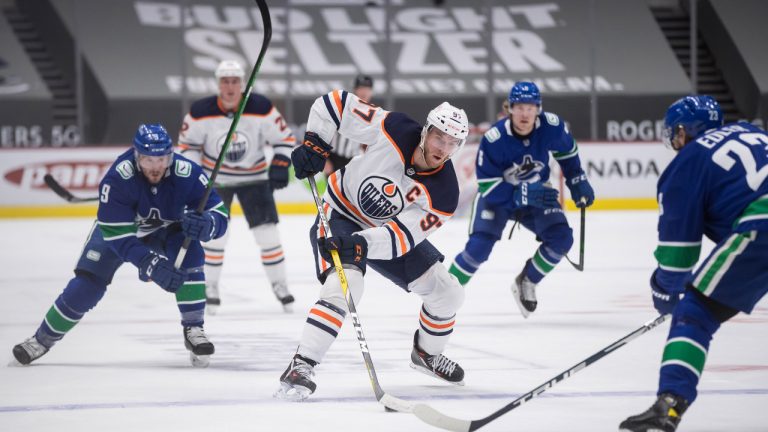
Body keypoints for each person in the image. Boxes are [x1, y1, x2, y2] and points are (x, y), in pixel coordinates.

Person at [274, 89, 470, 401]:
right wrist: (315, 143)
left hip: (381, 234)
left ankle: (426, 354)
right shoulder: (393, 128)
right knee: (346, 285)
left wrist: (360, 244)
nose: (443, 148)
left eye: (452, 142)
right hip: (339, 212)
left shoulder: (444, 194)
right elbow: (332, 104)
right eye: (439, 137)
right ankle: (301, 365)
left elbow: (399, 238)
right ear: (425, 132)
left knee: (448, 293)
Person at [11, 124, 229, 368]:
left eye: (161, 159)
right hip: (120, 233)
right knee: (88, 284)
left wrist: (209, 224)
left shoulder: (187, 173)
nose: (155, 167)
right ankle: (41, 340)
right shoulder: (118, 178)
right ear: (137, 157)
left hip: (165, 230)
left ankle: (194, 329)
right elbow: (118, 236)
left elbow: (219, 212)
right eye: (148, 160)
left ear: (170, 156)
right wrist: (149, 264)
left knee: (190, 254)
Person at [620, 96, 768, 431]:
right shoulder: (749, 131)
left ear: (684, 132)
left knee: (695, 312)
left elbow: (678, 256)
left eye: (674, 134)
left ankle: (668, 405)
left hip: (764, 225)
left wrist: (665, 294)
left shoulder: (688, 161)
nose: (674, 141)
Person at [447, 81, 594, 318]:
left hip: (536, 195)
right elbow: (487, 185)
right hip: (499, 199)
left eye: (530, 107)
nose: (525, 113)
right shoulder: (494, 138)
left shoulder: (552, 127)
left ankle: (528, 280)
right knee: (478, 250)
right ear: (510, 108)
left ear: (539, 109)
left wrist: (577, 180)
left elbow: (568, 154)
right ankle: (445, 295)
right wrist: (521, 193)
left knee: (562, 239)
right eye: (520, 107)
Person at [177, 60, 297, 313]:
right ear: (218, 83)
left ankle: (280, 284)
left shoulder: (261, 107)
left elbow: (284, 138)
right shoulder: (200, 111)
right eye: (225, 81)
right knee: (215, 237)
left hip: (254, 178)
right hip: (215, 180)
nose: (230, 87)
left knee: (268, 235)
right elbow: (187, 146)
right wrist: (195, 176)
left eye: (234, 81)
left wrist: (280, 161)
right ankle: (210, 287)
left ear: (243, 84)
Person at [323, 74, 375, 175]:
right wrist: (324, 157)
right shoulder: (342, 107)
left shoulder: (374, 113)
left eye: (367, 89)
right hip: (333, 158)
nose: (364, 92)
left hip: (353, 161)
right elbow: (322, 131)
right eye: (361, 88)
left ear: (371, 92)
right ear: (355, 90)